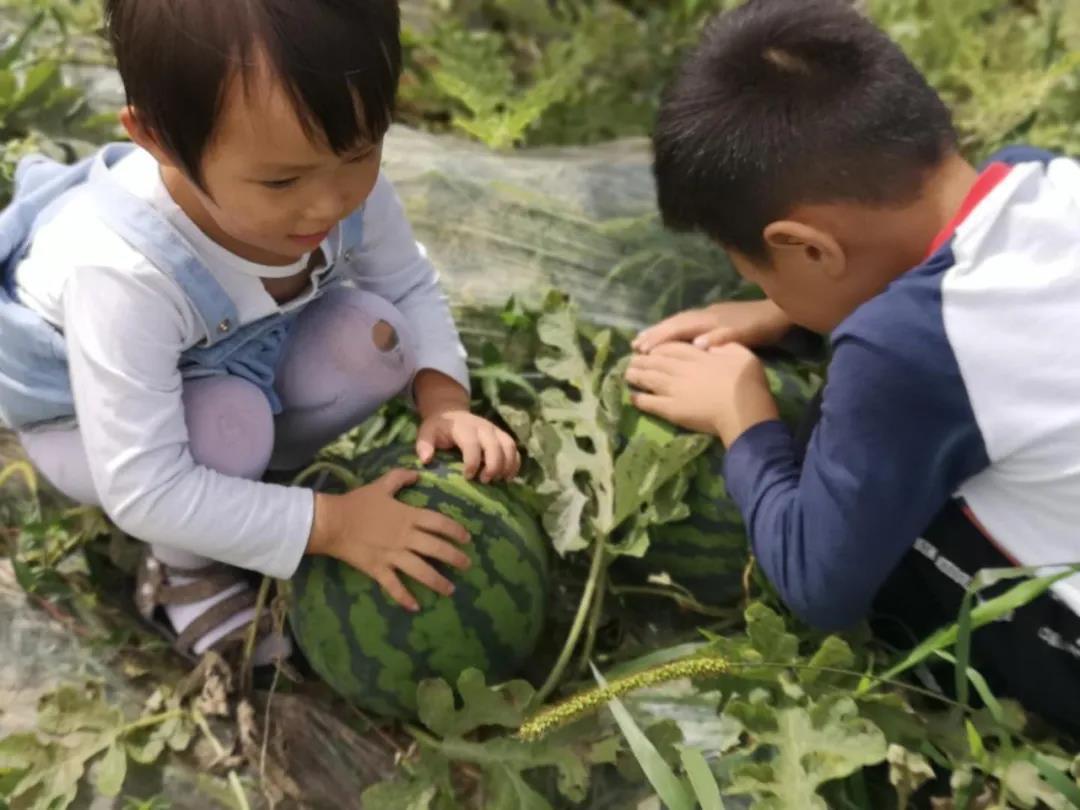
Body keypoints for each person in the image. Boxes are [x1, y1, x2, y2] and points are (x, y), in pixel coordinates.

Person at [0, 0, 521, 665]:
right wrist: (328, 525)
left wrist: (446, 401)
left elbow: (408, 286)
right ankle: (183, 572)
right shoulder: (123, 274)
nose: (330, 204)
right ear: (157, 140)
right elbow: (145, 488)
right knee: (227, 427)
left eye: (360, 152)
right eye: (281, 180)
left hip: (238, 352)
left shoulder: (328, 178)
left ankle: (254, 491)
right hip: (81, 420)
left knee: (381, 340)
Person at [627, 0, 1080, 731]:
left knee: (838, 472)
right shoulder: (1040, 176)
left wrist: (741, 416)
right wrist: (787, 313)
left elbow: (818, 583)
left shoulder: (899, 350)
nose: (762, 294)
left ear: (810, 246)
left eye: (762, 275)